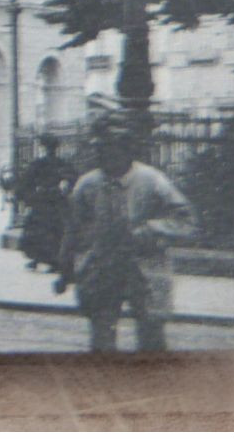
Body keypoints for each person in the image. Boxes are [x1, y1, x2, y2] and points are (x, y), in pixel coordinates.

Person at [58, 116, 197, 352]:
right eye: (99, 148)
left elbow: (185, 219)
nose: (102, 155)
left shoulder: (151, 181)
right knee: (102, 335)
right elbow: (72, 229)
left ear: (126, 150)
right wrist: (65, 270)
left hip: (144, 267)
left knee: (151, 334)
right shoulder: (87, 184)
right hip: (101, 267)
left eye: (109, 149)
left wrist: (151, 230)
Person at [19, 135, 73, 270]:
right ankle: (52, 261)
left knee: (38, 230)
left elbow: (26, 182)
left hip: (41, 200)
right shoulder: (62, 163)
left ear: (43, 147)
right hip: (56, 200)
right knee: (54, 230)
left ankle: (38, 259)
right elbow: (71, 178)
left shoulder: (38, 163)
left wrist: (28, 199)